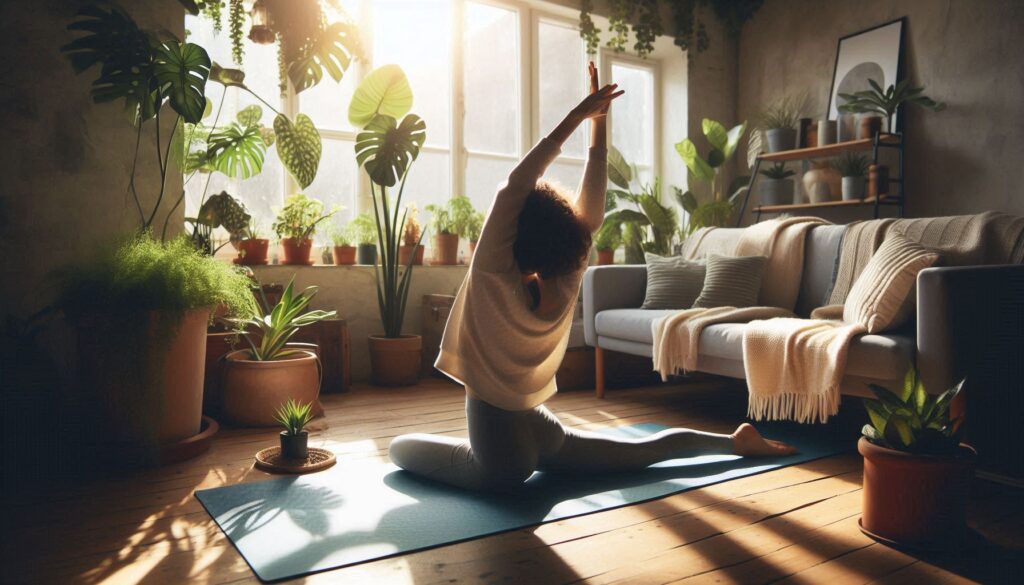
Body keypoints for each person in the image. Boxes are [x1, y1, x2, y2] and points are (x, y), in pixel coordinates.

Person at [388, 63, 796, 491]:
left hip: (499, 441)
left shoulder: (492, 270)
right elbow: (588, 200)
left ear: (513, 232)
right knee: (637, 454)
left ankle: (733, 441)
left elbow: (514, 185)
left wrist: (577, 119)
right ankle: (732, 441)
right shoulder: (568, 270)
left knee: (403, 450)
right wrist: (597, 127)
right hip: (536, 424)